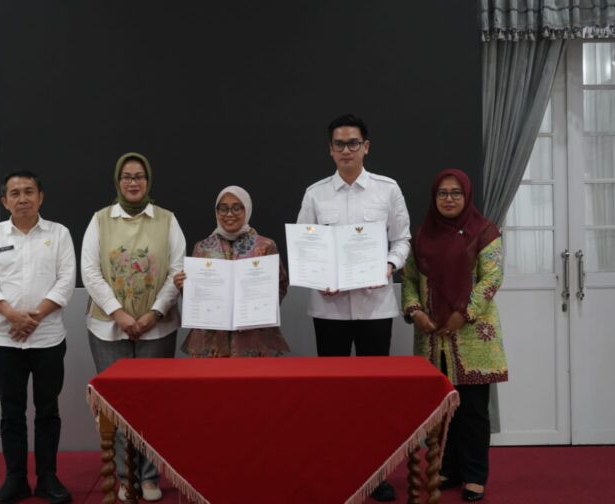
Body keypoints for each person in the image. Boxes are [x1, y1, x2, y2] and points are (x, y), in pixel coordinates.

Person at [295, 113, 410, 502]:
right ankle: (338, 469)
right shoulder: (315, 194)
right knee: (334, 395)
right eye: (339, 144)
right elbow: (305, 247)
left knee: (374, 395)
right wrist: (316, 276)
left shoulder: (387, 190)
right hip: (329, 310)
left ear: (366, 147)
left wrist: (388, 266)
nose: (347, 150)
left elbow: (403, 240)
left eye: (353, 143)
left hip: (375, 307)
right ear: (330, 150)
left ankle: (377, 473)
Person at [81, 152, 185, 502]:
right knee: (117, 406)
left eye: (139, 176)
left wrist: (154, 312)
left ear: (148, 180)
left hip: (157, 327)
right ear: (117, 181)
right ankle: (125, 478)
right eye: (126, 176)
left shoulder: (167, 220)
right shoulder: (100, 220)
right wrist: (119, 314)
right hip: (108, 329)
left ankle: (150, 477)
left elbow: (177, 271)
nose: (133, 182)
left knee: (152, 404)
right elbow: (90, 272)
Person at [402, 169, 507, 502]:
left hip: (472, 336)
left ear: (466, 196)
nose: (449, 199)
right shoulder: (422, 236)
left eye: (456, 193)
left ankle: (475, 475)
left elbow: (491, 278)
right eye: (443, 193)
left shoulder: (485, 232)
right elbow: (408, 280)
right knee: (441, 409)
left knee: (473, 410)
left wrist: (465, 312)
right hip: (432, 337)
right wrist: (415, 311)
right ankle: (449, 467)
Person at [0, 171, 76, 504]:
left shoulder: (59, 234)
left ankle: (48, 478)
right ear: (4, 201)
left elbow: (65, 282)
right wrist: (13, 315)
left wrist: (33, 318)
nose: (23, 199)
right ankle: (15, 479)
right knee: (11, 413)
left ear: (40, 197)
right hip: (5, 339)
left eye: (29, 192)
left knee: (48, 410)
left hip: (48, 338)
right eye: (15, 193)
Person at [175, 185, 291, 357]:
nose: (229, 214)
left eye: (236, 208)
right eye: (223, 208)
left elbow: (281, 285)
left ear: (247, 209)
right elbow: (197, 295)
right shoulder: (202, 248)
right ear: (216, 212)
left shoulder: (265, 246)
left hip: (253, 337)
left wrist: (262, 306)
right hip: (211, 340)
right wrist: (183, 286)